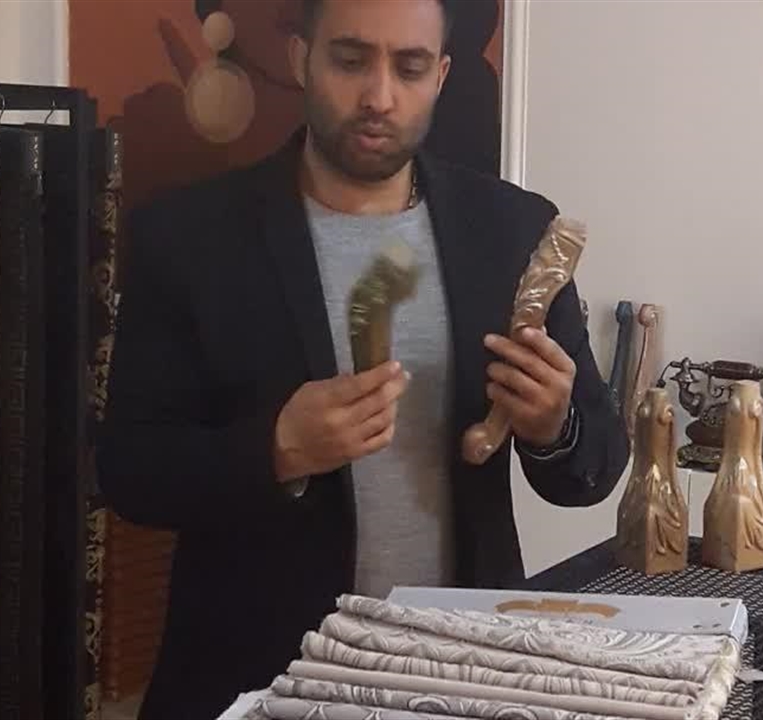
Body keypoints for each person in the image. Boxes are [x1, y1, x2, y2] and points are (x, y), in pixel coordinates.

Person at [95, 0, 630, 717]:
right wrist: (276, 450)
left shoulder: (512, 232)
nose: (379, 96)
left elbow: (594, 467)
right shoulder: (189, 239)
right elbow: (130, 472)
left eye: (409, 68)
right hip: (259, 680)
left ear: (440, 76)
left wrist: (554, 425)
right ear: (300, 58)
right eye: (351, 60)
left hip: (460, 681)